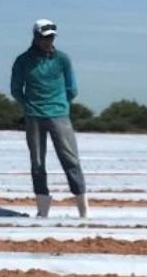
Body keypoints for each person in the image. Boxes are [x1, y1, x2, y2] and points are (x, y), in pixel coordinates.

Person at [10, 18, 88, 218]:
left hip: (59, 115)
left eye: (51, 37)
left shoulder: (63, 59)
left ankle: (83, 209)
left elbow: (72, 88)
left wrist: (61, 104)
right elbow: (16, 89)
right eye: (45, 37)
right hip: (34, 116)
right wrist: (28, 105)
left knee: (70, 159)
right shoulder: (22, 61)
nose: (48, 41)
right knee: (37, 162)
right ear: (35, 37)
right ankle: (42, 209)